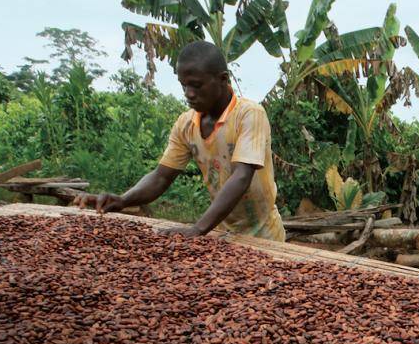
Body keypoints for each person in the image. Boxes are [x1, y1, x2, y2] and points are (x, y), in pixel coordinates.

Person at [74, 41, 285, 241]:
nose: (188, 94)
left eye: (196, 85)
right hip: (220, 232)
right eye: (184, 85)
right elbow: (161, 177)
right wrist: (123, 200)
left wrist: (197, 229)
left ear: (223, 79)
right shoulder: (186, 124)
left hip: (264, 233)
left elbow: (242, 176)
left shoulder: (249, 115)